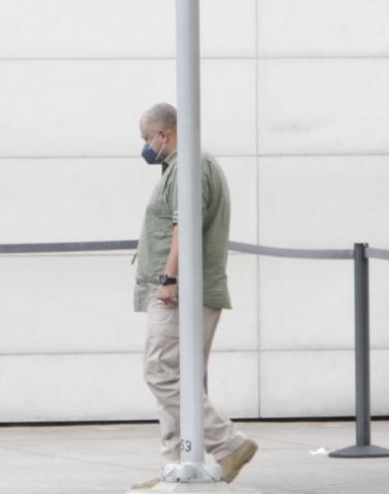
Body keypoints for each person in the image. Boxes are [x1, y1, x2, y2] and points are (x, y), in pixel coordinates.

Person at [131, 103, 258, 489]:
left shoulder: (189, 165)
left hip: (179, 290)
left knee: (160, 371)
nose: (146, 148)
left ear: (163, 135)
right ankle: (175, 465)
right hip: (183, 288)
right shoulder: (183, 166)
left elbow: (183, 225)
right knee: (179, 375)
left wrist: (169, 278)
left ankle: (229, 442)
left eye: (146, 139)